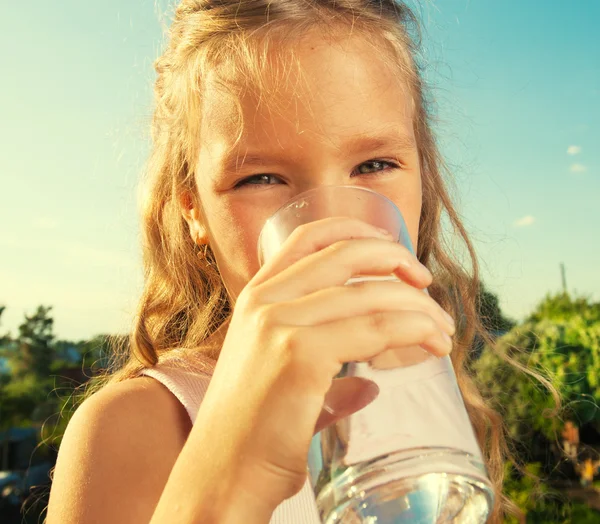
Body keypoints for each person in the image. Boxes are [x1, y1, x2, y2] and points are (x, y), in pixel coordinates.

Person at [46, 0, 514, 522]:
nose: (329, 223)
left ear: (422, 178)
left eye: (375, 164)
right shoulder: (133, 429)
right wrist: (223, 485)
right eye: (260, 178)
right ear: (193, 209)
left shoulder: (431, 412)